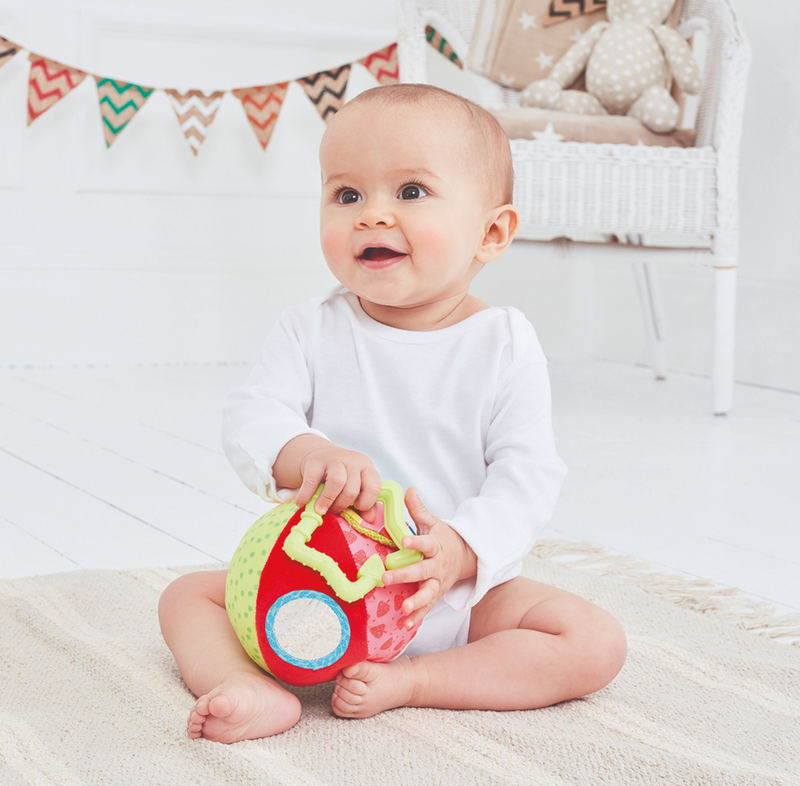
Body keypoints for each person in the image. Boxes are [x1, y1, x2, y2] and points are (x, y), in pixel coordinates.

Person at [158, 83, 627, 744]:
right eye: (347, 195)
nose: (371, 215)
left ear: (490, 232)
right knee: (187, 598)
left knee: (593, 640)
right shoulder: (309, 330)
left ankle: (420, 681)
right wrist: (305, 451)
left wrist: (462, 550)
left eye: (410, 192)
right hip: (317, 585)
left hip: (453, 593)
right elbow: (253, 416)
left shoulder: (504, 343)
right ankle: (247, 685)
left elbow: (529, 474)